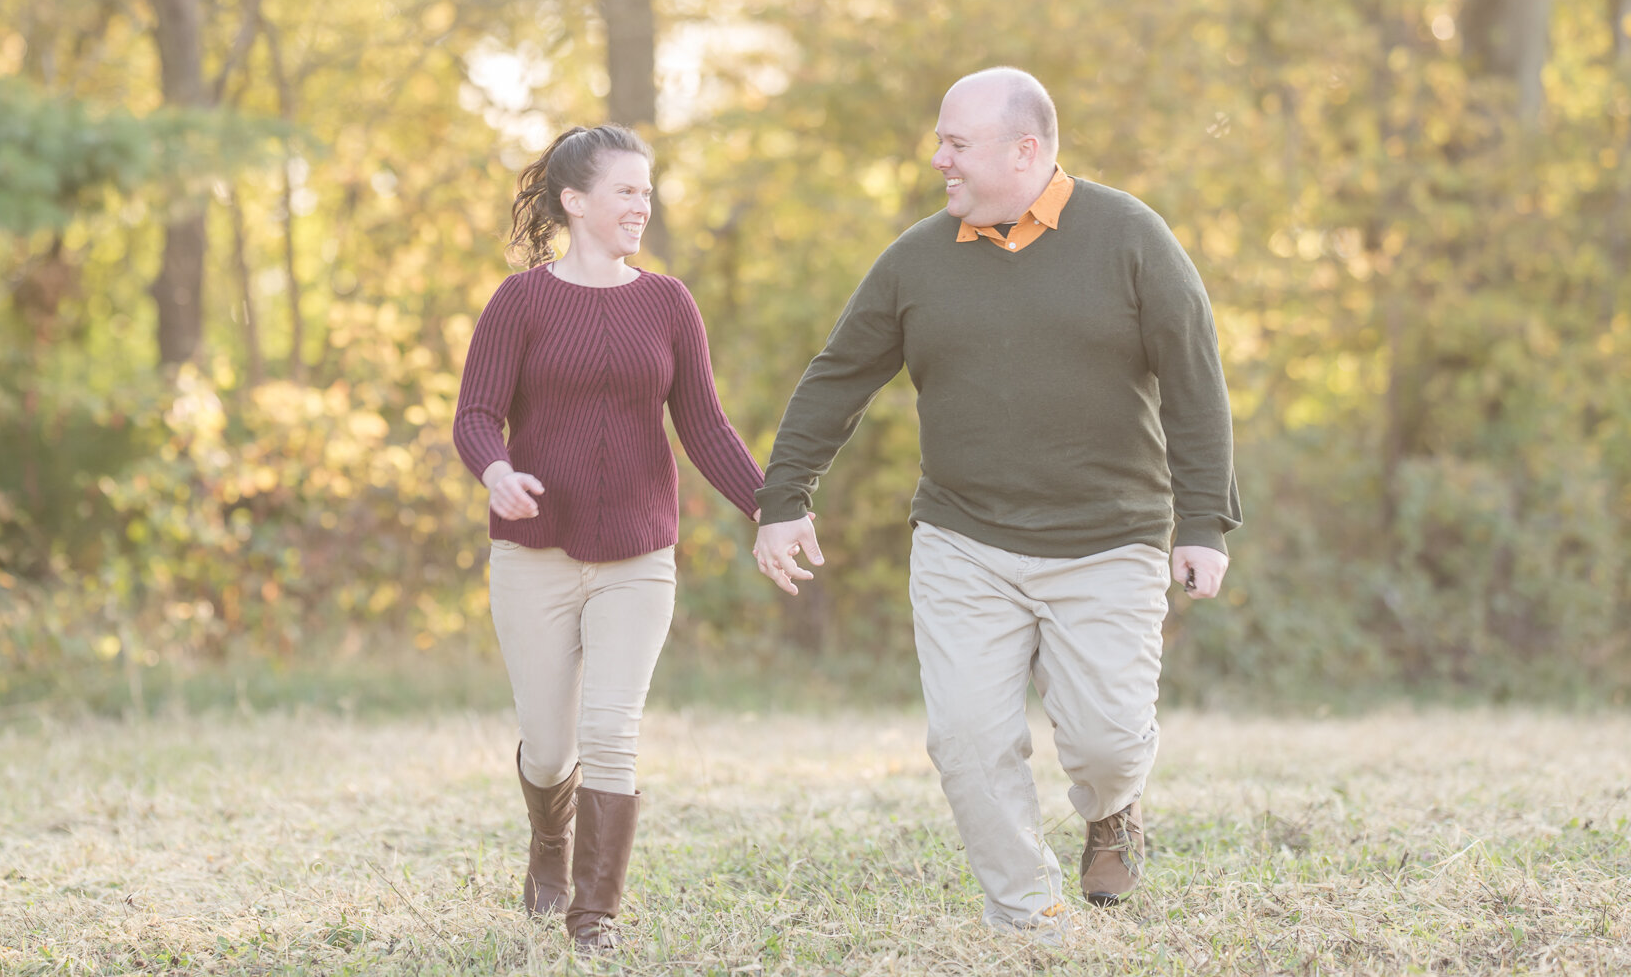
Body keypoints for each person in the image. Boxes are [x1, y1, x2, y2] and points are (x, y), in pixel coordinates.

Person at [751, 68, 1240, 936]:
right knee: (970, 744)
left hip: (1109, 539)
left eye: (956, 144)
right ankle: (1031, 914)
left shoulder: (1130, 237)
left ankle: (1111, 809)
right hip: (964, 540)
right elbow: (837, 378)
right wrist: (782, 495)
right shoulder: (916, 258)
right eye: (940, 140)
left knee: (1107, 743)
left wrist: (1203, 520)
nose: (937, 159)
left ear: (1027, 150)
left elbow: (1195, 380)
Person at [453, 124, 769, 951]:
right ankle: (549, 842)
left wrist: (772, 506)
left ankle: (595, 915)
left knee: (610, 729)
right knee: (552, 745)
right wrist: (495, 472)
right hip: (534, 555)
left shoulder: (669, 303)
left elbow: (704, 426)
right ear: (575, 201)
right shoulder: (519, 301)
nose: (643, 203)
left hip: (638, 557)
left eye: (646, 188)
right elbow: (476, 414)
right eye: (627, 189)